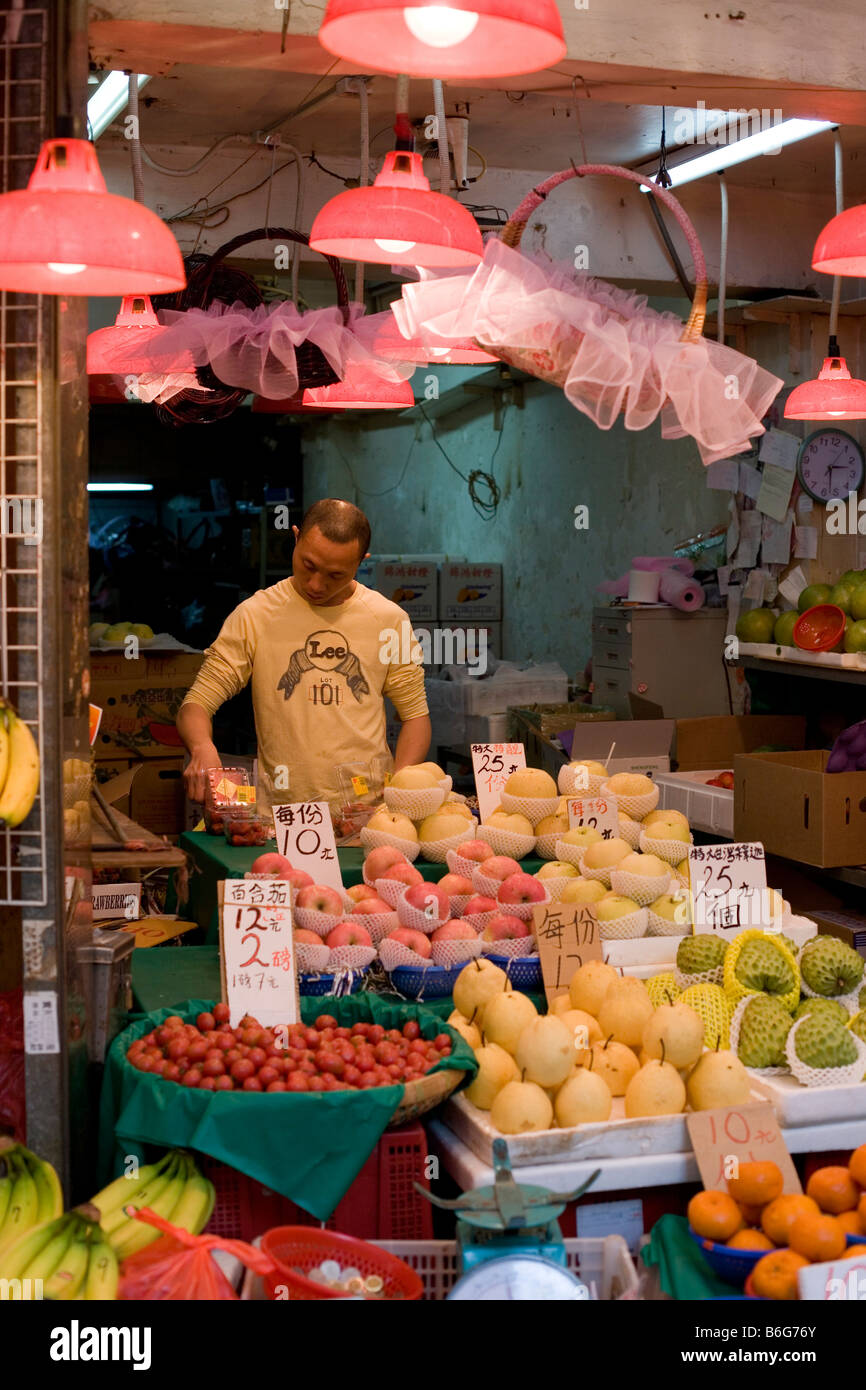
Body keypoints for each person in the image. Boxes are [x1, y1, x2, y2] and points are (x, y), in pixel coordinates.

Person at [177, 498, 431, 818]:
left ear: (360, 563)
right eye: (308, 565)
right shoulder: (256, 615)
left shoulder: (389, 619)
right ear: (295, 537)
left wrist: (399, 792)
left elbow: (416, 716)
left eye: (335, 575)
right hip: (282, 817)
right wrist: (202, 748)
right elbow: (196, 703)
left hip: (367, 816)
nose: (316, 585)